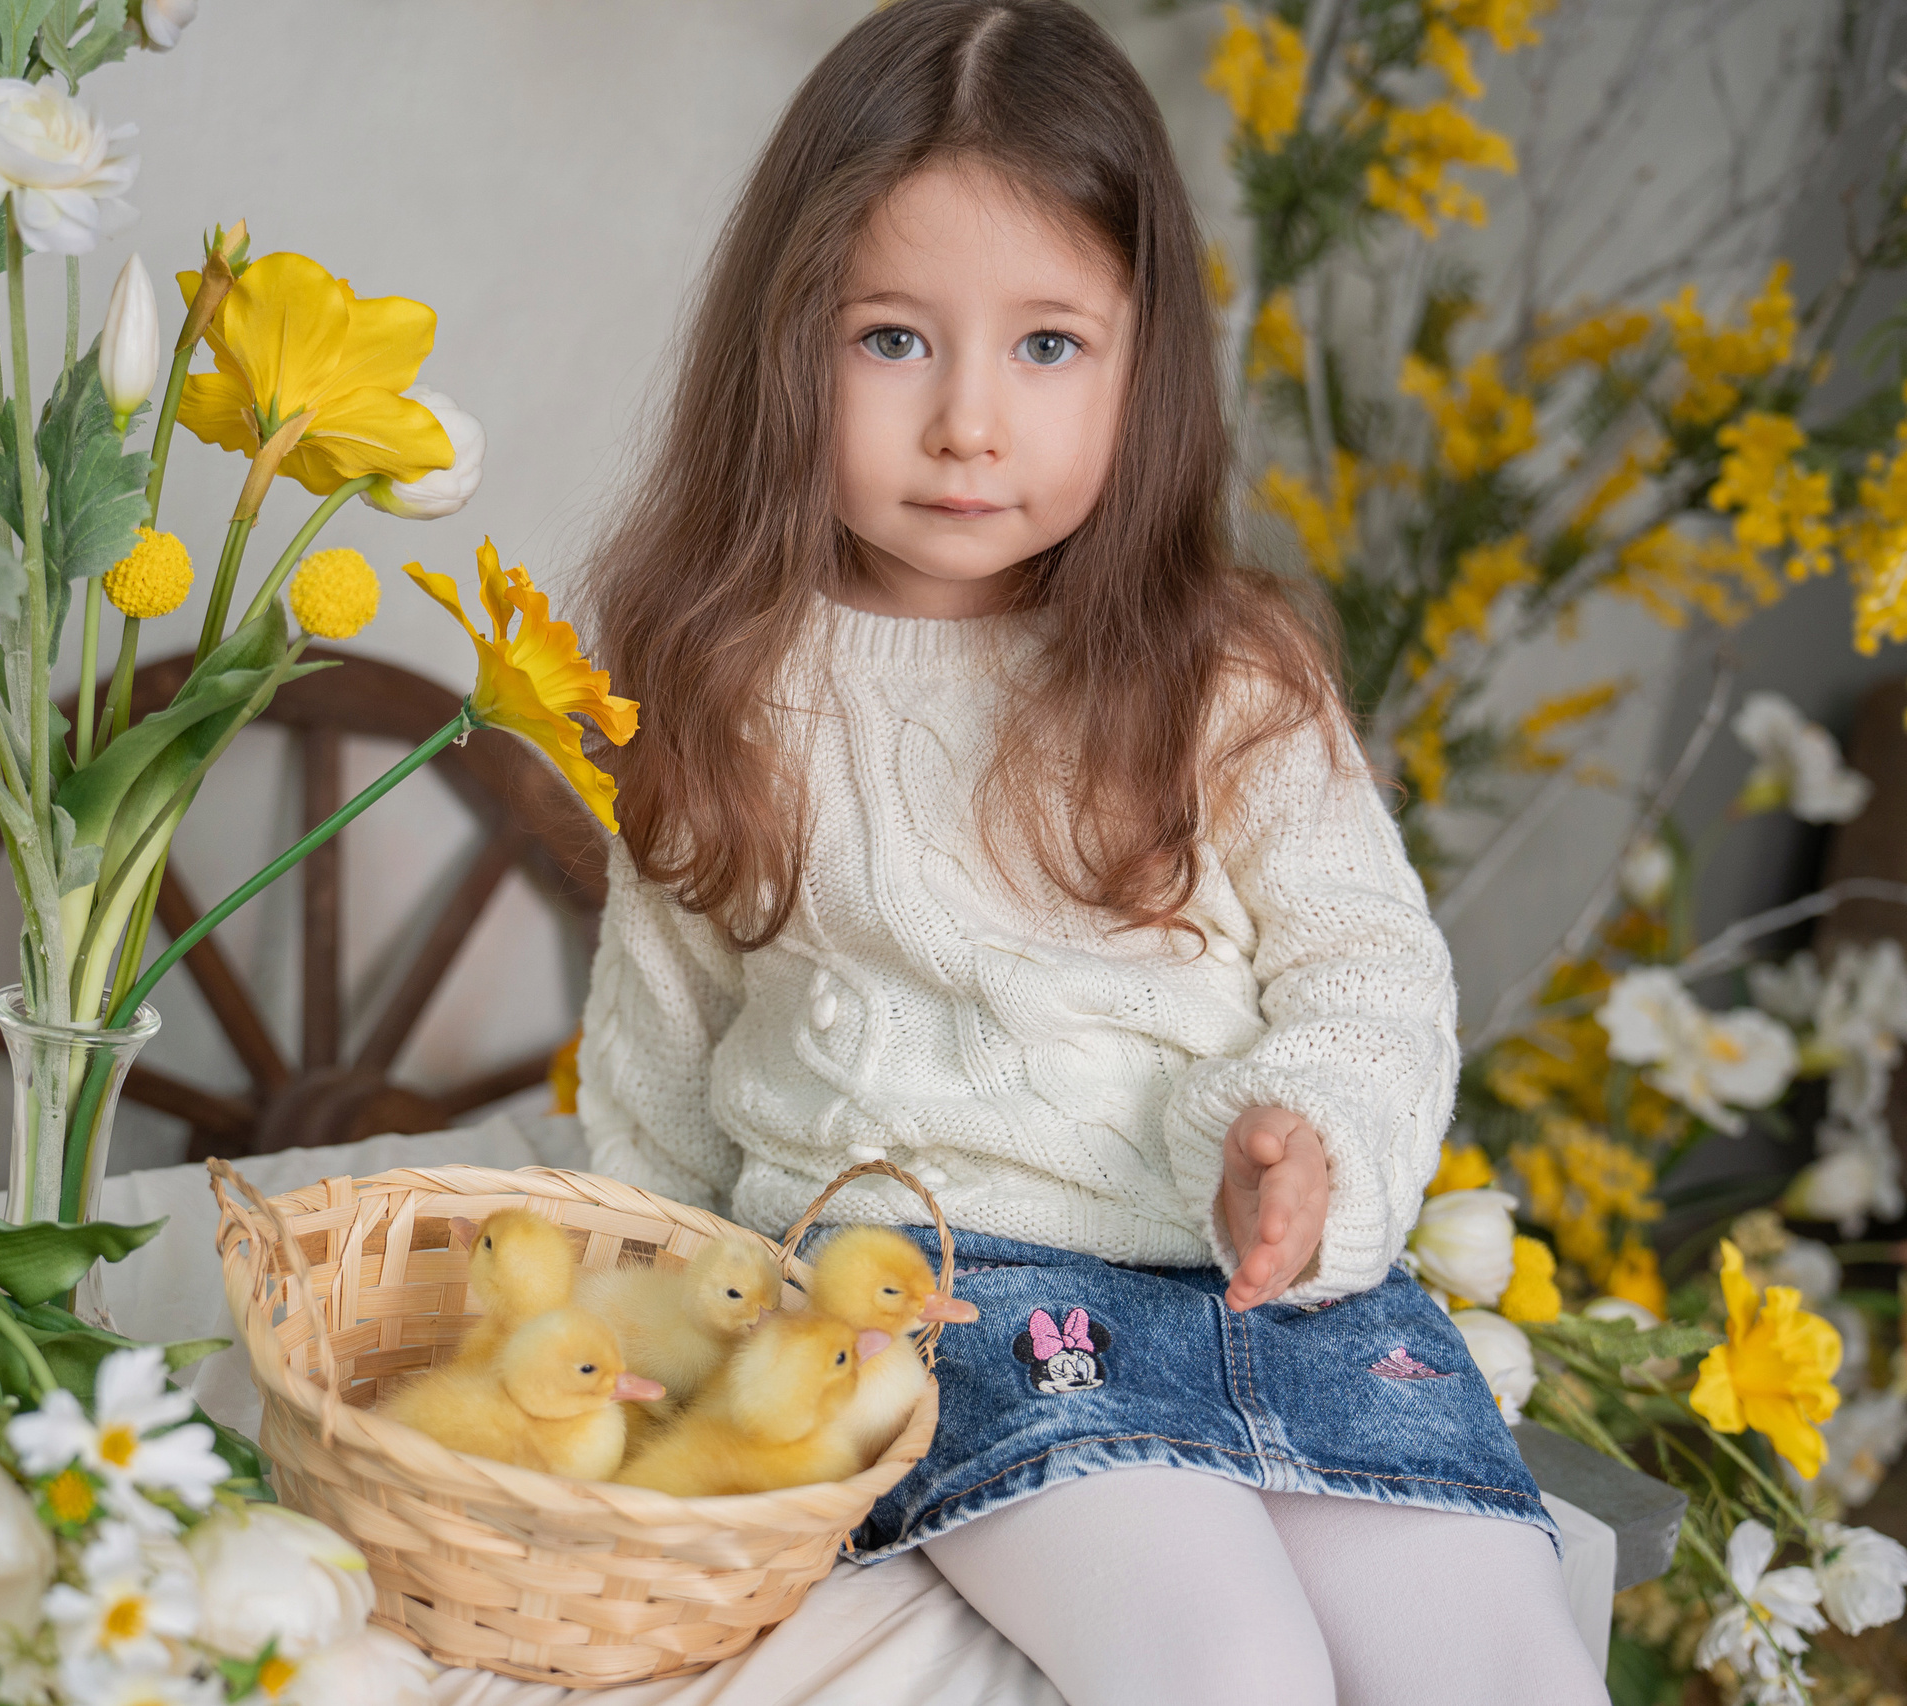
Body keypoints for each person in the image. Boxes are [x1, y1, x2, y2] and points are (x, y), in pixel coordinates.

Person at [572, 3, 1606, 1700]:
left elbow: (1367, 963)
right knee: (1226, 1663)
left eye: (1048, 346)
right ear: (786, 343)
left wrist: (1316, 1139)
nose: (970, 421)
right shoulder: (721, 681)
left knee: (1502, 1654)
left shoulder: (1229, 667)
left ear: (1146, 362)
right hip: (948, 1300)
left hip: (1269, 1286)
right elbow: (659, 1083)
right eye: (893, 340)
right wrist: (648, 1357)